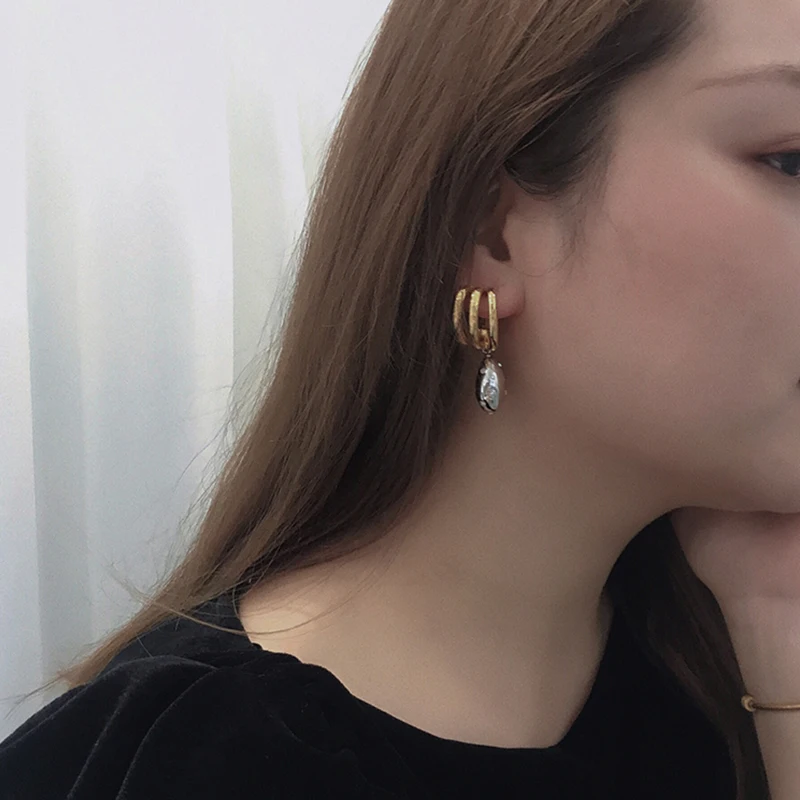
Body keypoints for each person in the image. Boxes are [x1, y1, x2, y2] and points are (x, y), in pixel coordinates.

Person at [9, 0, 800, 795]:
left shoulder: (706, 668)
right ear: (490, 230)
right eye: (793, 160)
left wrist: (777, 618)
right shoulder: (209, 760)